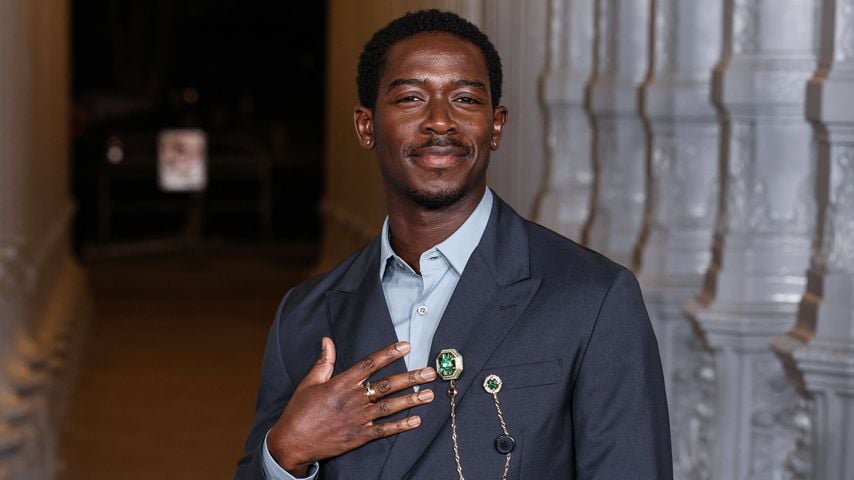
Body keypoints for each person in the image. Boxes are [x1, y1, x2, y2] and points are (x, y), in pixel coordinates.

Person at [234, 9, 671, 480]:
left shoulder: (593, 297)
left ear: (496, 126)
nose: (440, 121)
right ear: (367, 126)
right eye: (410, 98)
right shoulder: (304, 315)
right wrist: (286, 452)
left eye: (465, 99)